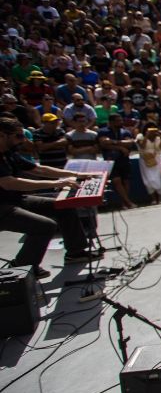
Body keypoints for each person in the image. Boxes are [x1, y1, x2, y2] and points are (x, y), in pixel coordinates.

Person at [0, 117, 103, 278]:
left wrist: (77, 175)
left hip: (15, 200)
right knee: (45, 226)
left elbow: (38, 169)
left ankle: (76, 252)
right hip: (3, 207)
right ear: (2, 135)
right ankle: (22, 268)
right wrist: (57, 183)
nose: (23, 140)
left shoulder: (8, 153)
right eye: (18, 136)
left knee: (63, 205)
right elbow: (9, 183)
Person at [136, 123, 161, 204]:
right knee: (148, 180)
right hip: (145, 160)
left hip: (157, 159)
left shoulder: (158, 137)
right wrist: (147, 136)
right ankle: (153, 199)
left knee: (160, 178)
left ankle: (160, 199)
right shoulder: (140, 137)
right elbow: (142, 146)